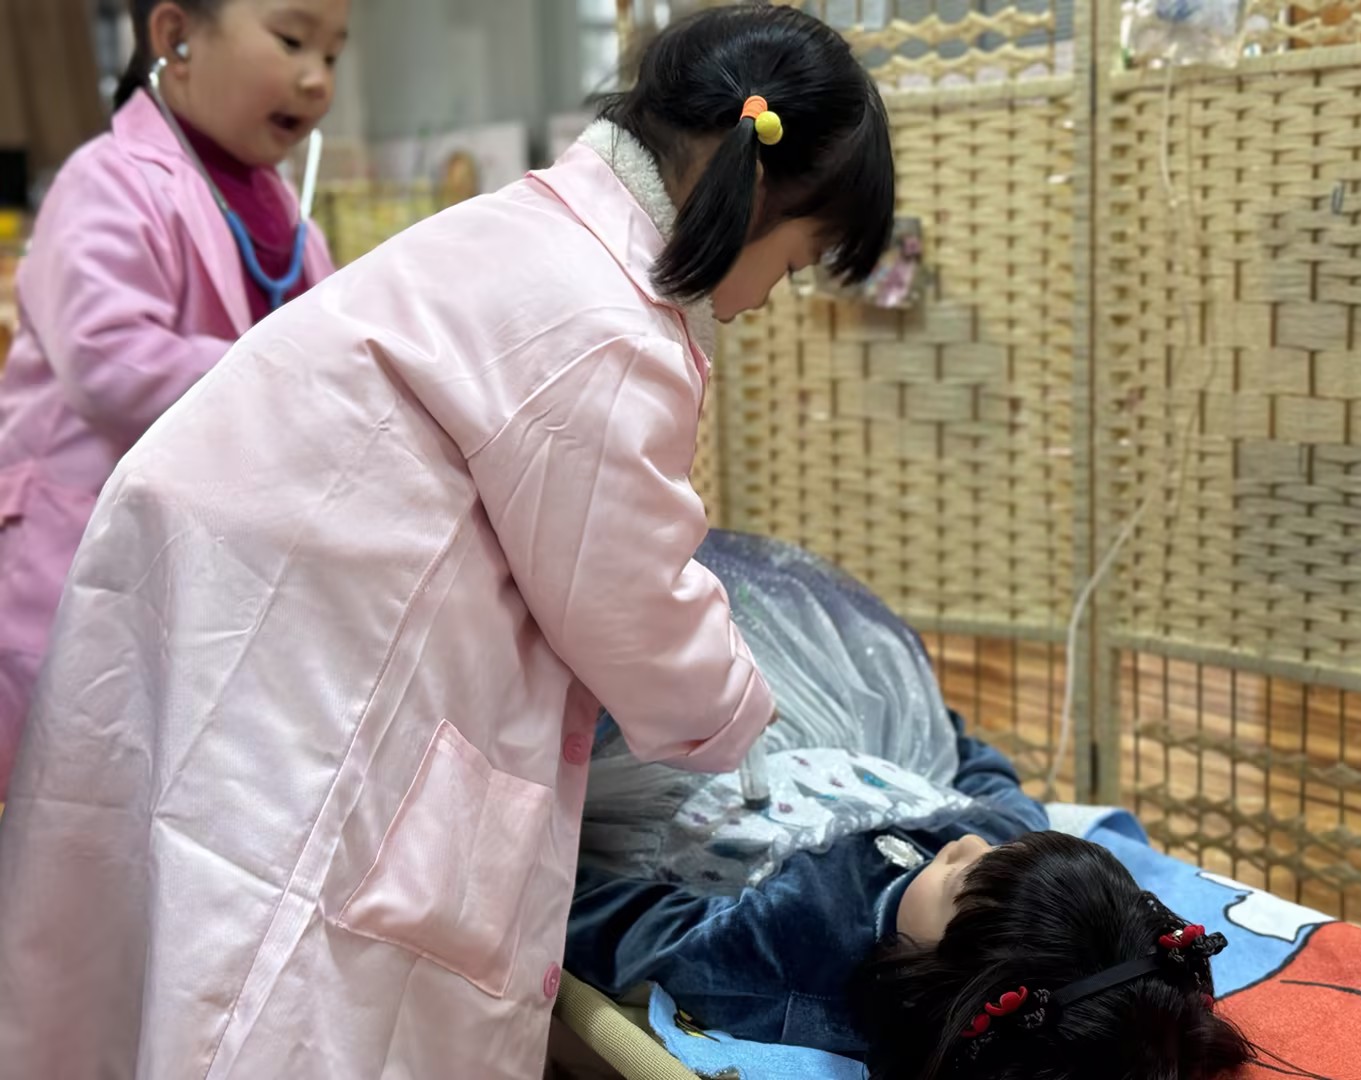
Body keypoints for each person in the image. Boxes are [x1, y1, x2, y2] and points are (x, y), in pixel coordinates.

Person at [0, 6, 894, 1080]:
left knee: (179, 958)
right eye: (795, 266)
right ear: (748, 191)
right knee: (270, 989)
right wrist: (746, 704)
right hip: (308, 681)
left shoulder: (525, 234)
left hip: (252, 634)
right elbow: (629, 601)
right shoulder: (606, 323)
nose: (768, 301)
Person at [566, 534, 1253, 1080]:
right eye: (1003, 854)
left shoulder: (780, 951)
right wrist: (924, 715)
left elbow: (610, 921)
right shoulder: (1000, 844)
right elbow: (983, 778)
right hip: (837, 726)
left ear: (934, 980)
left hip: (668, 775)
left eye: (958, 883)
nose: (966, 846)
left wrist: (548, 853)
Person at [0, 0, 347, 797]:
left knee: (168, 804)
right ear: (175, 35)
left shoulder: (286, 212)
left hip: (210, 574)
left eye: (333, 55)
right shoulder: (106, 181)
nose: (316, 79)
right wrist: (291, 381)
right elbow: (109, 362)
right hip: (79, 561)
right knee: (67, 810)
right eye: (293, 41)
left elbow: (334, 362)